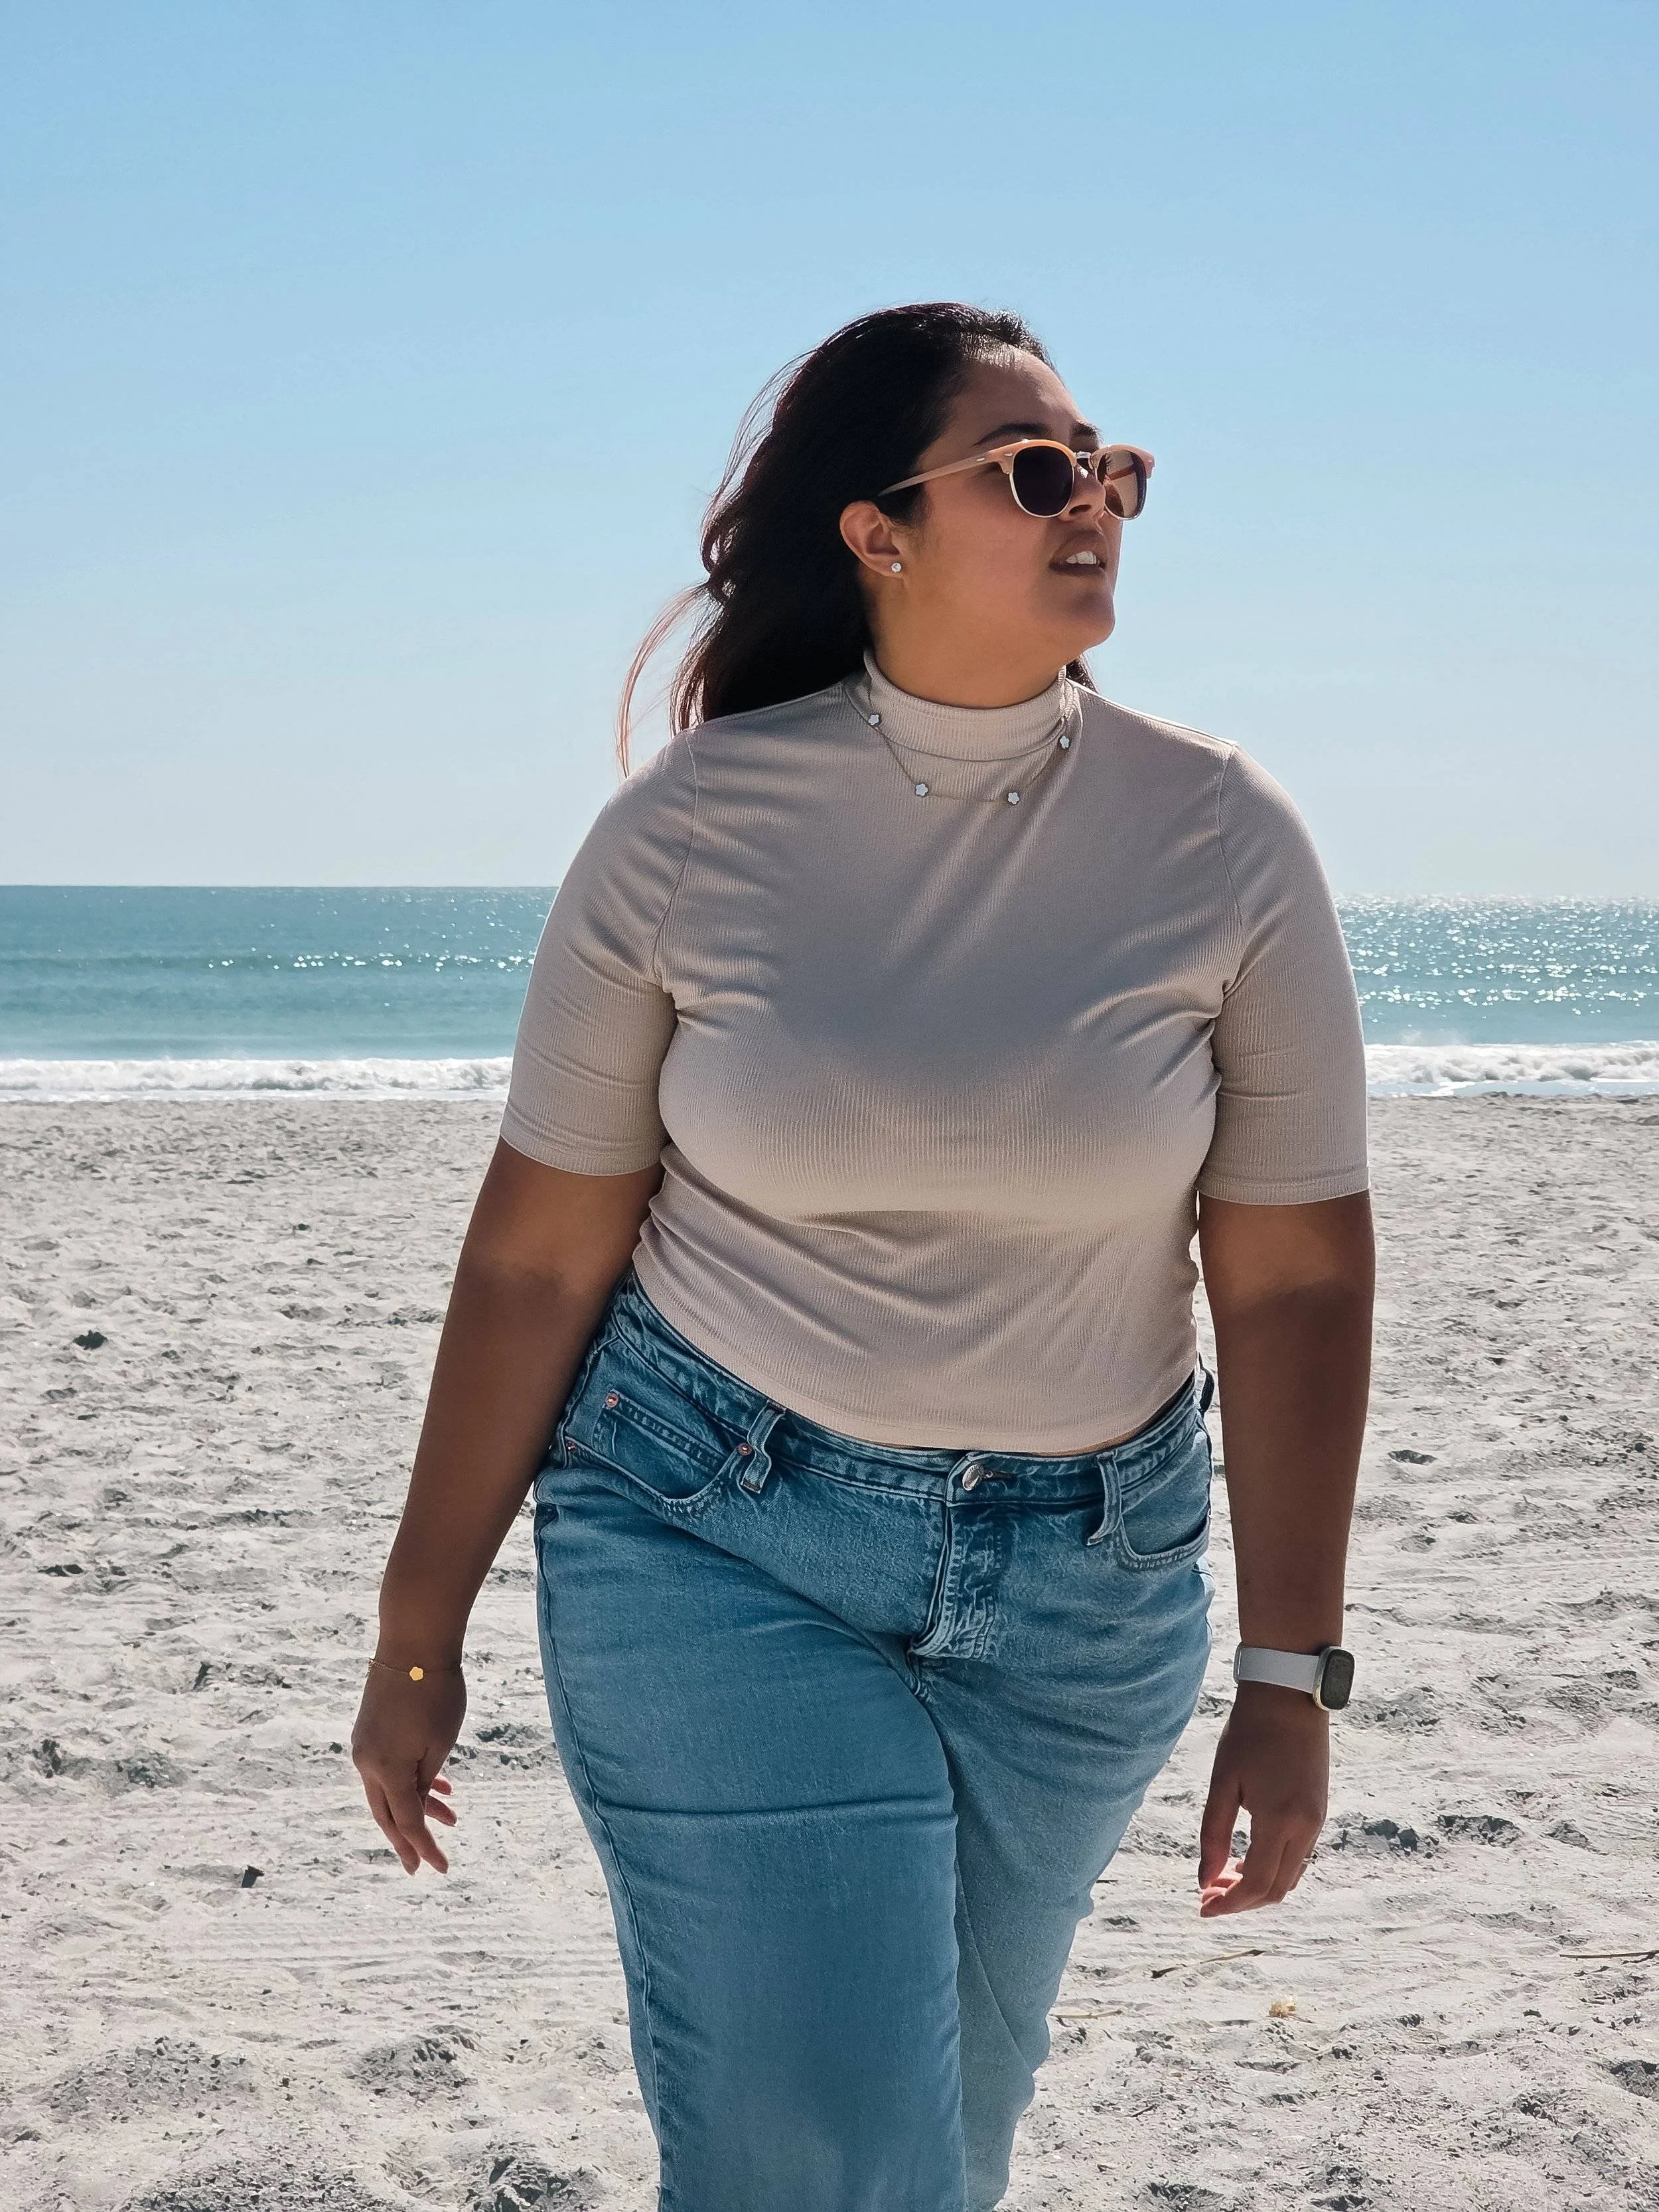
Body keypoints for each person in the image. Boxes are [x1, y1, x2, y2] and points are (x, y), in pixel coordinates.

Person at [350, 301, 1374, 2212]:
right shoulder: (682, 837)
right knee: (822, 2149)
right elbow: (531, 1261)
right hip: (712, 1534)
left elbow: (1296, 1278)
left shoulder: (1223, 840)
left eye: (1114, 472)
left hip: (1087, 1590)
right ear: (875, 530)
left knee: (928, 2150)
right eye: (1036, 471)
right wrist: (420, 1627)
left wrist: (1288, 1668)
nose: (1097, 508)